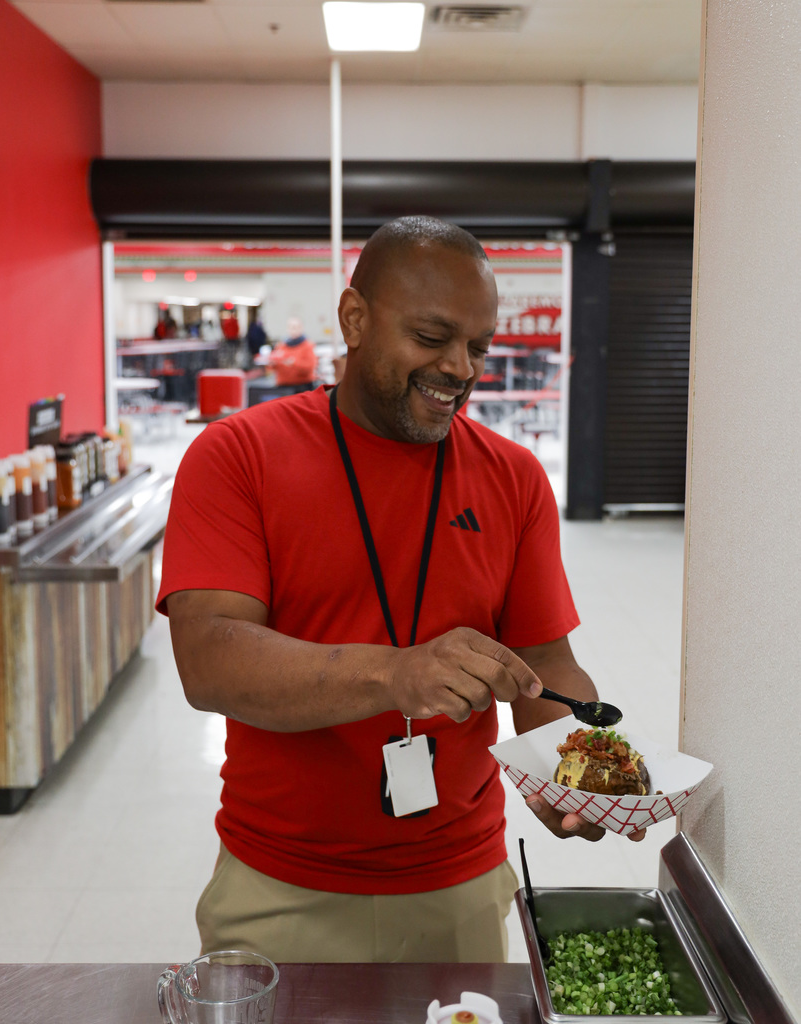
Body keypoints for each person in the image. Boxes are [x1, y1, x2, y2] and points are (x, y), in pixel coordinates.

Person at [157, 216, 644, 966]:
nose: (460, 368)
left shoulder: (513, 478)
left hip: (459, 878)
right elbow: (209, 660)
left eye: (479, 346)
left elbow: (544, 662)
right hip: (280, 881)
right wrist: (395, 673)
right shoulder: (238, 455)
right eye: (431, 337)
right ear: (354, 319)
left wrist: (570, 768)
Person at [268, 316, 317, 388]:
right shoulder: (281, 346)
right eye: (291, 327)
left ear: (301, 328)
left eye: (296, 327)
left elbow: (309, 367)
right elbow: (273, 366)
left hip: (301, 386)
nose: (293, 330)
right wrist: (272, 364)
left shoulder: (307, 346)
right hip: (283, 386)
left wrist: (293, 363)